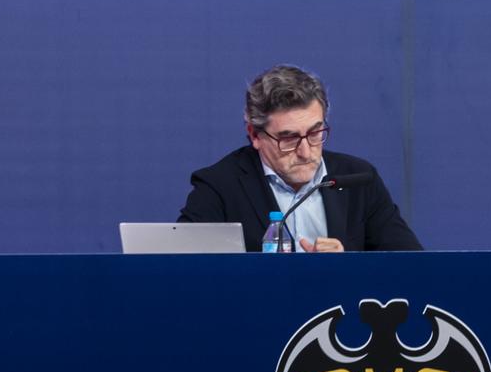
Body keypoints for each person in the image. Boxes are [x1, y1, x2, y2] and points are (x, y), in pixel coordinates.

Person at [178, 64, 422, 252]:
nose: (306, 151)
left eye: (315, 133)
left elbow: (411, 265)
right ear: (255, 135)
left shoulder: (357, 179)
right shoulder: (219, 187)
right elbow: (187, 272)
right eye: (289, 138)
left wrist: (350, 267)